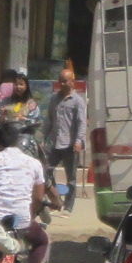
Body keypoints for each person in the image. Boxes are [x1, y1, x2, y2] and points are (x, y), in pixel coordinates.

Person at [0, 121, 51, 263]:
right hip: (20, 220)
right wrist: (30, 214)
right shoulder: (34, 163)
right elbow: (38, 197)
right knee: (42, 241)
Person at [46, 70, 85, 213]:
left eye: (65, 81)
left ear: (72, 82)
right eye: (60, 81)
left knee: (71, 178)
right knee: (47, 171)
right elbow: (49, 120)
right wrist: (43, 138)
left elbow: (81, 123)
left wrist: (79, 141)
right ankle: (56, 200)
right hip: (54, 142)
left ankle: (69, 206)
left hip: (70, 144)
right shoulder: (53, 99)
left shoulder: (77, 101)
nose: (62, 84)